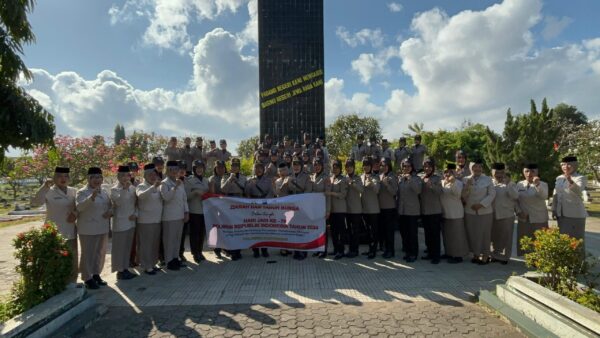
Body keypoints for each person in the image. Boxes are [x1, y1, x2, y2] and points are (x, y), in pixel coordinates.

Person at [31, 166, 78, 282]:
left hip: (70, 230)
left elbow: (79, 206)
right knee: (55, 259)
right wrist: (44, 187)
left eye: (66, 176)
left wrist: (75, 213)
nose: (63, 178)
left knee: (72, 258)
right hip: (54, 231)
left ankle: (72, 283)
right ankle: (56, 283)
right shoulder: (49, 191)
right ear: (54, 177)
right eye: (59, 176)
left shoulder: (73, 191)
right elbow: (36, 203)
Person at [76, 167, 111, 289]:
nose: (97, 180)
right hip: (88, 228)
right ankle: (87, 278)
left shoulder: (105, 191)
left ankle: (96, 274)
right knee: (88, 254)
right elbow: (79, 207)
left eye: (99, 177)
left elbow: (110, 205)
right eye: (94, 177)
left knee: (99, 253)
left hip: (102, 226)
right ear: (88, 179)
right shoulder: (82, 192)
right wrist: (91, 197)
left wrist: (110, 212)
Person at [462, 159, 496, 264]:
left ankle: (486, 255)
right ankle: (476, 254)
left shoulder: (488, 179)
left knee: (485, 234)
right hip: (470, 211)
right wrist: (467, 186)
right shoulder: (465, 179)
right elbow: (463, 196)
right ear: (470, 168)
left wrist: (481, 204)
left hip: (484, 211)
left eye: (479, 167)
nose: (477, 169)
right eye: (474, 167)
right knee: (473, 234)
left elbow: (492, 194)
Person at [109, 165, 138, 280]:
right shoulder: (114, 189)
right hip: (120, 223)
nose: (125, 178)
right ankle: (119, 271)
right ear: (118, 177)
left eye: (127, 175)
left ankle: (125, 268)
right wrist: (124, 189)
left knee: (127, 247)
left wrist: (135, 214)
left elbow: (136, 203)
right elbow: (119, 202)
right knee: (119, 248)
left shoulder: (133, 188)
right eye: (123, 175)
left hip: (131, 222)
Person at [553, 155, 588, 249]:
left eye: (569, 164)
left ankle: (579, 262)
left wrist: (570, 181)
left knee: (576, 241)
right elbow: (556, 194)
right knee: (564, 241)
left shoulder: (581, 177)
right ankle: (566, 262)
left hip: (575, 215)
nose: (565, 167)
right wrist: (554, 209)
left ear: (575, 165)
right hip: (561, 214)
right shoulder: (559, 178)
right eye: (563, 164)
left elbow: (578, 190)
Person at [160, 160, 189, 270]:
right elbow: (166, 198)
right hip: (169, 217)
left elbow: (184, 199)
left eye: (176, 170)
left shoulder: (179, 182)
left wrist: (186, 212)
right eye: (172, 170)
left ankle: (176, 258)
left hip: (180, 215)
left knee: (177, 239)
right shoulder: (164, 183)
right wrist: (174, 187)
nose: (175, 172)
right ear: (167, 171)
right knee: (169, 239)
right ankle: (169, 261)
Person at [136, 164, 163, 275]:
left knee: (154, 244)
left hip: (156, 220)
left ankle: (152, 263)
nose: (153, 176)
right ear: (145, 175)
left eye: (154, 174)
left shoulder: (158, 186)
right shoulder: (141, 186)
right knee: (146, 244)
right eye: (150, 174)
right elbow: (141, 196)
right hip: (145, 221)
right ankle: (146, 266)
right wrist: (153, 187)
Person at [516, 163, 548, 256]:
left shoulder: (543, 184)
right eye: (526, 171)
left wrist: (537, 185)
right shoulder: (519, 184)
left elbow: (544, 196)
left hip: (539, 218)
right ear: (523, 172)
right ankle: (528, 259)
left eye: (532, 171)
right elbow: (515, 200)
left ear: (537, 172)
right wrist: (518, 212)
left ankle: (539, 260)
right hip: (524, 217)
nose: (529, 173)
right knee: (525, 240)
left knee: (539, 241)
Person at [490, 163, 519, 265]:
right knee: (495, 237)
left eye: (501, 172)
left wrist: (507, 185)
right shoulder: (489, 182)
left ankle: (505, 257)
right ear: (492, 172)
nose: (498, 174)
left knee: (506, 237)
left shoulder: (510, 183)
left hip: (506, 214)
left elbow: (515, 196)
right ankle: (495, 255)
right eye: (496, 172)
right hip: (492, 214)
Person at [440, 164, 468, 263]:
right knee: (447, 235)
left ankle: (458, 255)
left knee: (457, 236)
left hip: (456, 213)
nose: (447, 174)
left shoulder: (458, 183)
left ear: (454, 173)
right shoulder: (441, 182)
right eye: (445, 172)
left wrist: (453, 182)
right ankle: (448, 253)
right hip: (445, 213)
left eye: (450, 172)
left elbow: (457, 195)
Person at [245, 161, 274, 258]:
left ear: (263, 169)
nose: (258, 170)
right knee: (255, 229)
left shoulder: (268, 180)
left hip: (264, 206)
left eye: (260, 168)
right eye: (256, 168)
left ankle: (264, 250)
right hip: (254, 206)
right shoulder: (250, 180)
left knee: (264, 229)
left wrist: (264, 202)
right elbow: (247, 194)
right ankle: (255, 250)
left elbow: (271, 193)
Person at [184, 160, 210, 263]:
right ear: (194, 169)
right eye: (197, 168)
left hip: (205, 210)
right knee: (194, 233)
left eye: (201, 167)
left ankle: (200, 251)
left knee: (201, 233)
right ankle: (195, 253)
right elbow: (186, 197)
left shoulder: (206, 180)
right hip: (194, 210)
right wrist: (195, 192)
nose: (199, 169)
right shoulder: (189, 181)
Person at [221, 158, 246, 260]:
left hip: (239, 203)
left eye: (236, 166)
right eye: (232, 166)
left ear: (239, 167)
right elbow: (223, 189)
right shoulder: (225, 176)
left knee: (239, 227)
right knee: (230, 228)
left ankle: (238, 250)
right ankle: (231, 251)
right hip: (228, 203)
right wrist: (229, 180)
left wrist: (237, 181)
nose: (234, 167)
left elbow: (244, 189)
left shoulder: (243, 177)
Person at [397, 159, 421, 262]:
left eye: (408, 166)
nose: (406, 168)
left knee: (412, 233)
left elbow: (418, 190)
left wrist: (410, 179)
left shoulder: (416, 178)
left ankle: (413, 253)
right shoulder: (401, 179)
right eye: (404, 166)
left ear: (412, 167)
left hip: (412, 211)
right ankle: (407, 252)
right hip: (402, 210)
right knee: (404, 233)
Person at [420, 158, 443, 264]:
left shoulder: (437, 178)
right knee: (427, 234)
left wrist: (431, 185)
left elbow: (439, 191)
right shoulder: (421, 177)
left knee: (435, 235)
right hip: (424, 211)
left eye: (429, 166)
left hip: (435, 211)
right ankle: (429, 253)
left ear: (433, 167)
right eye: (425, 166)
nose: (427, 168)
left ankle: (436, 256)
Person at [327, 160, 348, 260]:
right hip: (332, 209)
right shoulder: (331, 178)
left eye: (337, 167)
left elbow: (343, 195)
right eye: (333, 167)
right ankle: (335, 249)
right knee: (334, 231)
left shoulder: (343, 179)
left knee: (341, 231)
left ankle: (341, 251)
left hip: (340, 209)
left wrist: (331, 193)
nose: (334, 169)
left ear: (340, 168)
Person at [311, 157, 331, 258]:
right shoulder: (312, 176)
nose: (317, 167)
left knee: (323, 230)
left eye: (318, 165)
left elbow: (328, 195)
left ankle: (324, 250)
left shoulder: (326, 177)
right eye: (315, 165)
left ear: (322, 166)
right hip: (314, 208)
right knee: (316, 229)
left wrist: (328, 210)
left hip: (323, 207)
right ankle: (317, 248)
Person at [379, 157, 399, 259]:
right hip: (381, 207)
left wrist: (387, 185)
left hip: (390, 208)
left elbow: (394, 192)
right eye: (382, 165)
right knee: (384, 231)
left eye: (386, 165)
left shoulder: (392, 176)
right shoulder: (380, 175)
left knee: (389, 231)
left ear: (389, 166)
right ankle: (386, 249)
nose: (384, 167)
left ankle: (391, 251)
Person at [361, 157, 380, 259]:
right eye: (364, 165)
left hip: (373, 209)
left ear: (371, 166)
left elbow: (377, 190)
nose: (366, 167)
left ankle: (373, 250)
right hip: (364, 209)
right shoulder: (360, 177)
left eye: (368, 165)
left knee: (374, 230)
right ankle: (370, 248)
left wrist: (371, 182)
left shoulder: (375, 177)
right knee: (367, 231)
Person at [345, 159, 364, 258]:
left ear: (353, 167)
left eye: (350, 166)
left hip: (356, 209)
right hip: (347, 209)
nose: (348, 168)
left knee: (355, 231)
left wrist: (352, 183)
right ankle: (350, 249)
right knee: (349, 231)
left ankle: (355, 250)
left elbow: (361, 189)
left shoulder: (357, 178)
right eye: (347, 167)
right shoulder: (344, 178)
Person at [208, 160, 227, 258]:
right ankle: (216, 249)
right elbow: (212, 193)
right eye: (218, 167)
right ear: (215, 168)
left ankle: (225, 248)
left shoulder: (227, 177)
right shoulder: (212, 179)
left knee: (225, 228)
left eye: (222, 167)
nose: (221, 169)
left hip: (226, 207)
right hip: (216, 207)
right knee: (216, 228)